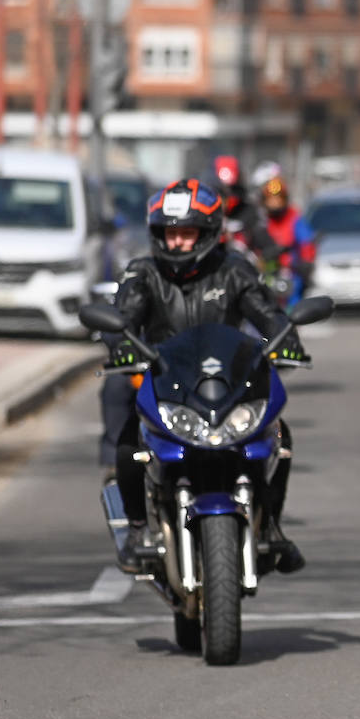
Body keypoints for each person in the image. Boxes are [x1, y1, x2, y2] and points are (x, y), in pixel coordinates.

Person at [109, 179, 308, 573]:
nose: (178, 242)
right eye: (170, 233)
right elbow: (122, 317)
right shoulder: (143, 273)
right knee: (129, 445)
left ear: (209, 233)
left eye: (187, 233)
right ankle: (136, 529)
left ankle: (269, 524)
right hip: (168, 386)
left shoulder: (234, 270)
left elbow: (266, 313)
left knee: (279, 437)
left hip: (227, 386)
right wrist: (119, 341)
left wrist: (285, 338)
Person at [260, 175, 317, 306]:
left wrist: (306, 263)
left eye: (278, 199)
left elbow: (306, 243)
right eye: (270, 200)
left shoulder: (294, 218)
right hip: (268, 271)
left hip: (291, 272)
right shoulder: (262, 221)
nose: (274, 203)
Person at [211, 154, 278, 262]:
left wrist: (271, 253)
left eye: (231, 192)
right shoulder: (207, 215)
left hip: (243, 267)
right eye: (222, 194)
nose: (226, 200)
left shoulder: (249, 210)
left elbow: (262, 238)